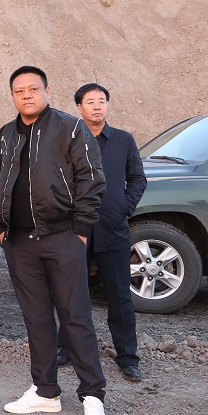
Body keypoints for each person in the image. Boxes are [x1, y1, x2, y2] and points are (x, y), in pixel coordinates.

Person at [0, 66, 108, 415]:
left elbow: (91, 178)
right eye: (19, 91)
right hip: (19, 242)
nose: (26, 95)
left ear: (47, 91)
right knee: (36, 319)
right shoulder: (3, 136)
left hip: (62, 237)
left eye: (33, 89)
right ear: (12, 96)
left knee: (75, 316)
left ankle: (93, 396)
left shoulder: (71, 127)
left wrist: (80, 230)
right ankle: (45, 391)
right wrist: (0, 228)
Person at [56, 83, 146, 383]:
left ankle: (127, 357)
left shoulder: (123, 140)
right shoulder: (68, 140)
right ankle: (66, 348)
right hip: (75, 230)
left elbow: (137, 178)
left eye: (102, 101)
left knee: (119, 295)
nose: (97, 106)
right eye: (90, 101)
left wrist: (124, 207)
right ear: (79, 108)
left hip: (112, 228)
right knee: (71, 294)